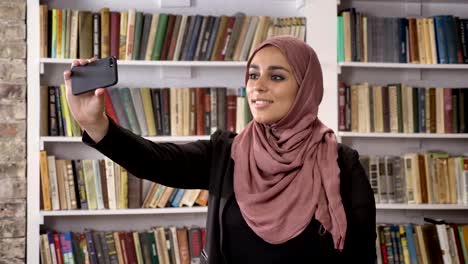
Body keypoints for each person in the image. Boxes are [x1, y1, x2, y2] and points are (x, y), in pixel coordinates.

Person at [64, 35, 376, 263]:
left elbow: (361, 255)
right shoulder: (226, 154)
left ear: (306, 86)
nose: (257, 85)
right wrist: (97, 124)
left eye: (276, 76)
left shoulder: (341, 163)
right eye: (253, 74)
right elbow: (155, 161)